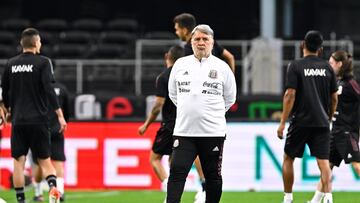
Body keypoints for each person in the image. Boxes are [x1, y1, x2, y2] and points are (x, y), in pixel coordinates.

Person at [167, 24, 236, 203]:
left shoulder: (222, 68)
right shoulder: (180, 65)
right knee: (176, 172)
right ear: (191, 42)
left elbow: (230, 98)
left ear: (212, 43)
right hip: (184, 132)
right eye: (197, 39)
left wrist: (211, 114)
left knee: (213, 176)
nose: (201, 42)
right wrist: (189, 109)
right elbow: (173, 94)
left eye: (205, 39)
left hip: (212, 133)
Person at [1, 28, 67, 203]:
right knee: (45, 162)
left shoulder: (10, 64)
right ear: (36, 43)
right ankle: (53, 191)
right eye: (40, 42)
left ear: (22, 44)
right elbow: (49, 90)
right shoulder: (44, 62)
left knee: (18, 163)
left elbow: (5, 92)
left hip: (18, 121)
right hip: (38, 120)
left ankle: (21, 200)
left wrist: (7, 111)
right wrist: (59, 115)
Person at [277, 30, 338, 203]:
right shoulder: (328, 67)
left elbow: (290, 94)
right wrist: (329, 117)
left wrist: (282, 122)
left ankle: (288, 198)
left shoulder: (296, 65)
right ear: (321, 48)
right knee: (324, 162)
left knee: (289, 158)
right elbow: (334, 97)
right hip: (321, 122)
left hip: (300, 121)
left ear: (303, 44)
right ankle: (328, 197)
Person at [308, 51, 360, 203]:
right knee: (327, 167)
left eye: (331, 63)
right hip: (335, 132)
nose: (329, 65)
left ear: (339, 64)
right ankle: (315, 201)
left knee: (357, 165)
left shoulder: (351, 84)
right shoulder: (338, 83)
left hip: (346, 133)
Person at [138, 45, 184, 199]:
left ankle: (170, 191)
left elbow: (158, 105)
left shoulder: (164, 77)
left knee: (154, 159)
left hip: (170, 124)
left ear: (167, 56)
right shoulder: (186, 76)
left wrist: (146, 124)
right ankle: (174, 194)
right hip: (184, 124)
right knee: (173, 160)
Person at [32, 79, 70, 202]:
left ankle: (38, 193)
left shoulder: (37, 87)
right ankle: (60, 191)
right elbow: (68, 111)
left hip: (40, 129)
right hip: (57, 129)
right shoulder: (62, 89)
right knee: (58, 161)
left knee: (39, 163)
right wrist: (63, 122)